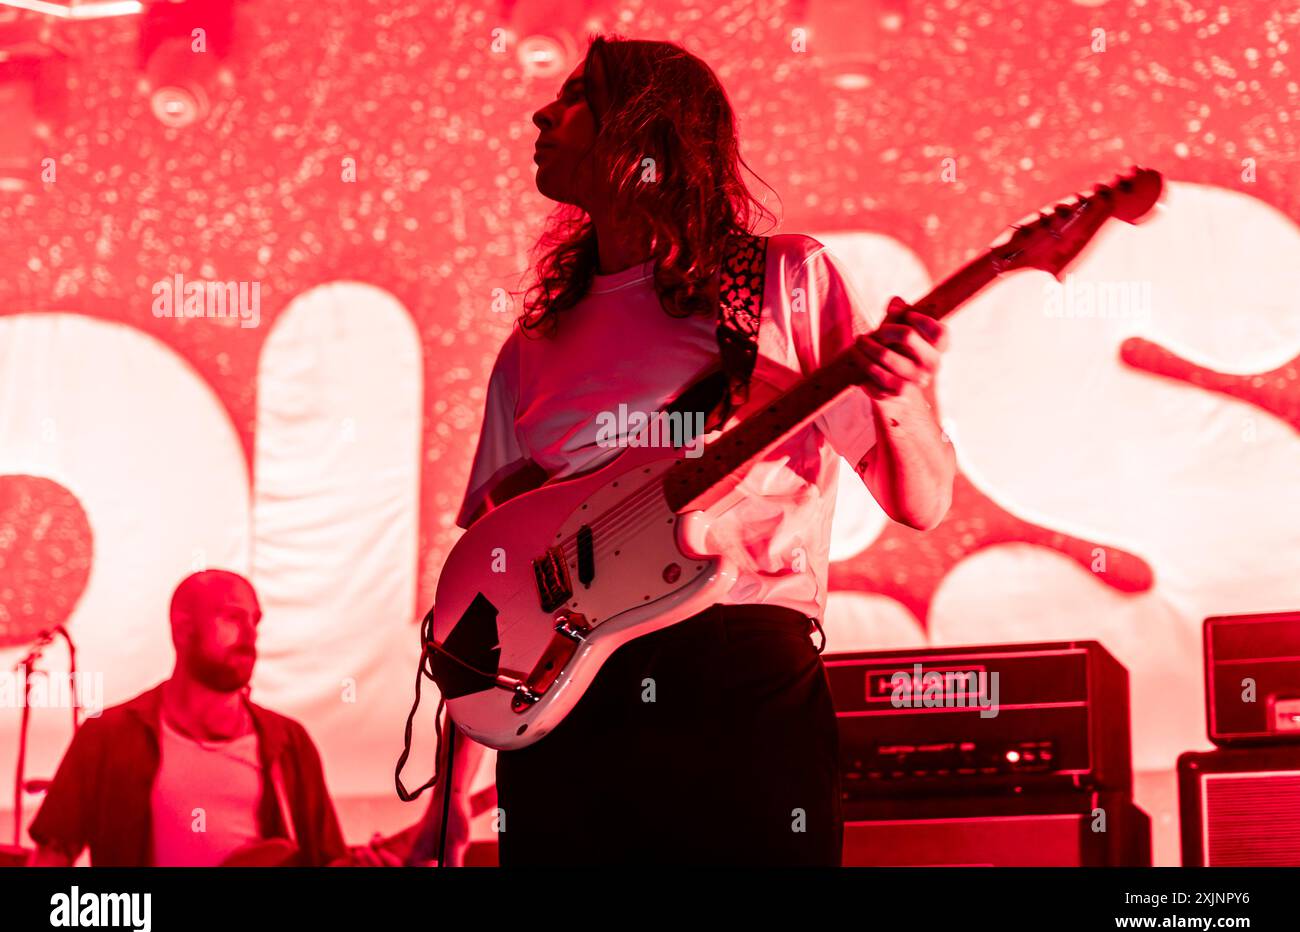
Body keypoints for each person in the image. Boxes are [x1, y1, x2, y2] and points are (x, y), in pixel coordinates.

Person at [435, 35, 954, 865]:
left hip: (736, 680)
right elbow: (486, 592)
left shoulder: (786, 280)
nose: (541, 111)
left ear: (647, 133)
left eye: (575, 98)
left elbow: (921, 505)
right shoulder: (532, 345)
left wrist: (900, 396)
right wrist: (452, 797)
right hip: (566, 706)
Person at [28, 569, 400, 866]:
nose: (250, 636)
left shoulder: (288, 742)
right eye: (233, 618)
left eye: (255, 621)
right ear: (183, 629)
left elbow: (325, 859)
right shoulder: (107, 736)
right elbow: (53, 854)